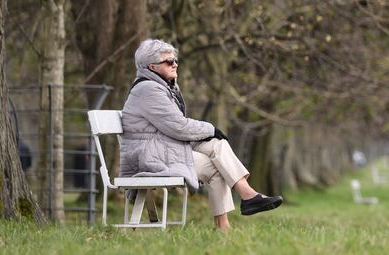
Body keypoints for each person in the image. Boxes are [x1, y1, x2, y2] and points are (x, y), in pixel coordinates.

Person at [120, 39, 282, 230]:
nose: (175, 64)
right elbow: (178, 126)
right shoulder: (148, 89)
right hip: (150, 157)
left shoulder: (165, 87)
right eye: (168, 62)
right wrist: (210, 129)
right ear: (152, 66)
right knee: (216, 164)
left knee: (217, 144)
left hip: (165, 147)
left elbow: (174, 128)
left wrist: (212, 134)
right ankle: (227, 222)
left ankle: (247, 196)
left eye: (175, 60)